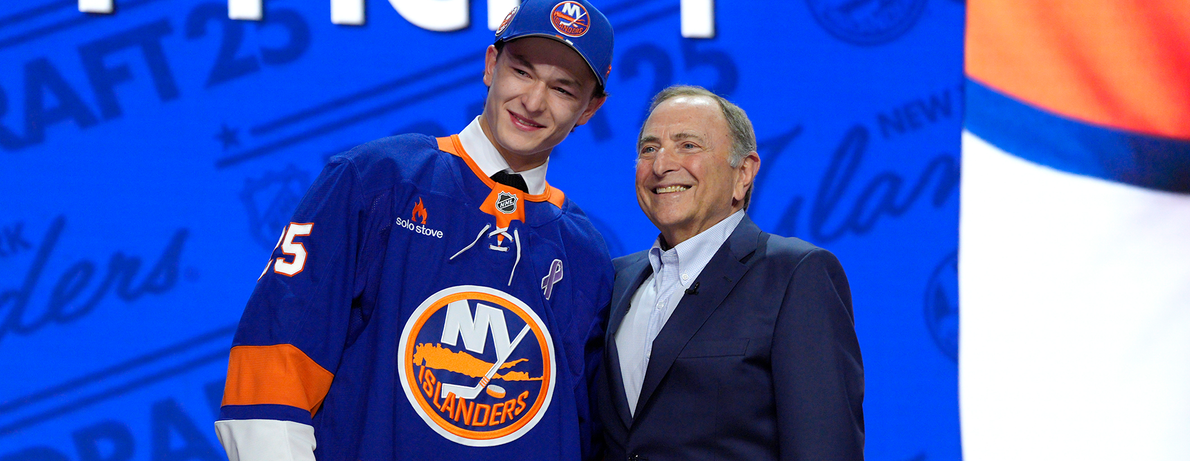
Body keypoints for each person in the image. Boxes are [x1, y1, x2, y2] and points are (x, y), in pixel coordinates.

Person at [214, 1, 615, 459]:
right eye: (522, 71)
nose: (534, 101)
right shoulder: (377, 179)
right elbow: (272, 362)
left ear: (589, 109)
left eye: (563, 88)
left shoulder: (586, 254)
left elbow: (586, 434)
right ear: (490, 65)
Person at [594, 85, 865, 460]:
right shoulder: (613, 280)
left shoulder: (794, 275)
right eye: (649, 149)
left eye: (688, 145)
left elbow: (823, 448)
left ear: (744, 173)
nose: (661, 165)